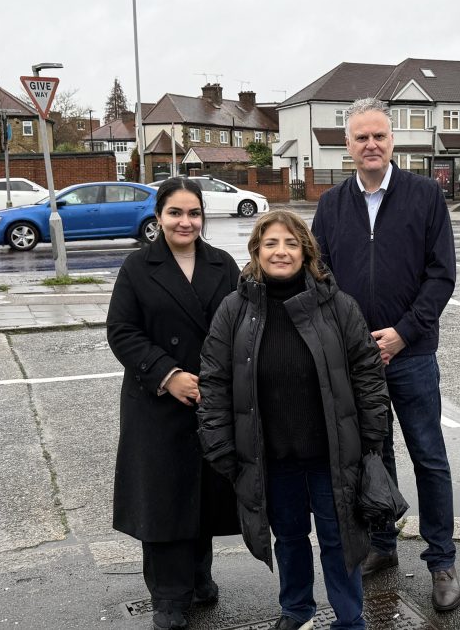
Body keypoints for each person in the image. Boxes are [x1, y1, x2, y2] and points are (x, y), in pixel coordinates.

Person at [197, 210, 390, 630]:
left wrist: (373, 440)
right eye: (271, 244)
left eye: (290, 243)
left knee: (340, 538)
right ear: (256, 252)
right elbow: (214, 381)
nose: (280, 252)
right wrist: (221, 446)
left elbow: (367, 373)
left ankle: (349, 617)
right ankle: (296, 610)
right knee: (288, 538)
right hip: (271, 456)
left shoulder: (338, 306)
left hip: (332, 454)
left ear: (306, 250)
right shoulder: (234, 310)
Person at [311, 97, 460, 611]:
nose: (371, 145)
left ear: (392, 141)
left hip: (413, 354)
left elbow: (441, 275)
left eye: (379, 136)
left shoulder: (424, 196)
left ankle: (442, 561)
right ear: (347, 145)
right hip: (359, 360)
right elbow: (319, 277)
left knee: (429, 457)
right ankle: (383, 545)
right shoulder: (331, 206)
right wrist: (354, 339)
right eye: (361, 138)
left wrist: (402, 332)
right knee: (374, 457)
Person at [106, 177, 240, 630]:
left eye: (193, 213)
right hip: (156, 402)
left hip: (211, 398)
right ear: (159, 216)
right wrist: (169, 375)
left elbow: (245, 323)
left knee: (204, 494)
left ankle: (200, 578)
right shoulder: (138, 267)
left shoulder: (223, 263)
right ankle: (168, 598)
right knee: (163, 501)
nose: (185, 222)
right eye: (175, 213)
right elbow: (122, 331)